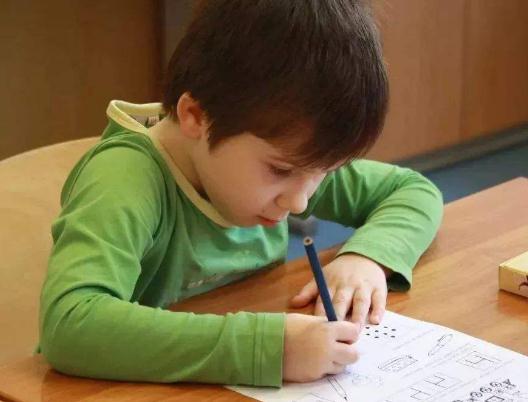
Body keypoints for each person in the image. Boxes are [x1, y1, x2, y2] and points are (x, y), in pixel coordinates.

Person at [39, 0, 443, 387]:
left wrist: (367, 257)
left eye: (325, 173)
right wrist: (267, 349)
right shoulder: (125, 178)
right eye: (280, 170)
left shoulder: (288, 162)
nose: (300, 202)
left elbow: (411, 191)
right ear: (196, 117)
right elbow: (71, 325)